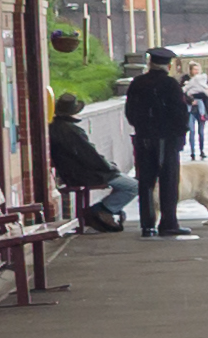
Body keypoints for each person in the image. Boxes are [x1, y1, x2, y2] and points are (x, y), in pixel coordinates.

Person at [120, 49, 191, 240]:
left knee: (145, 182)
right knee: (168, 181)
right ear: (168, 66)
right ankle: (168, 223)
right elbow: (180, 113)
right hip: (166, 140)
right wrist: (180, 134)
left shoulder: (137, 83)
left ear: (150, 64)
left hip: (143, 139)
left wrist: (142, 127)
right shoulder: (170, 84)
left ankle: (147, 225)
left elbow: (130, 111)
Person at [48, 93, 122, 231]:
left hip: (70, 172)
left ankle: (99, 212)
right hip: (82, 174)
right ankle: (97, 211)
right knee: (131, 186)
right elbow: (90, 155)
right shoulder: (72, 131)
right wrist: (109, 168)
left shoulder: (55, 128)